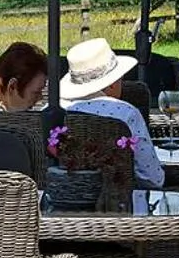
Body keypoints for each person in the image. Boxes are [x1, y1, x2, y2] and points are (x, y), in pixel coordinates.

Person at [59, 38, 165, 189]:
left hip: (62, 195)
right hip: (121, 201)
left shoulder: (53, 109)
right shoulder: (124, 113)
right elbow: (152, 178)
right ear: (112, 82)